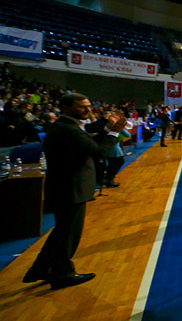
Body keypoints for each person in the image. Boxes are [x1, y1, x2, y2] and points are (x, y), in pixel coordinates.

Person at [23, 93, 127, 289]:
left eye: (88, 106)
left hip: (65, 187)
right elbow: (98, 151)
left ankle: (41, 268)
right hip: (70, 188)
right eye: (82, 107)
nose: (88, 110)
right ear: (67, 108)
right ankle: (63, 274)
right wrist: (114, 133)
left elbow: (88, 141)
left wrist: (107, 129)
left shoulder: (66, 126)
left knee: (61, 231)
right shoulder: (68, 130)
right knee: (68, 234)